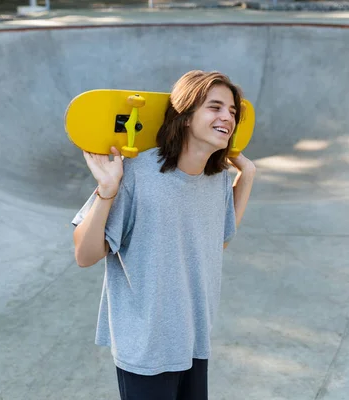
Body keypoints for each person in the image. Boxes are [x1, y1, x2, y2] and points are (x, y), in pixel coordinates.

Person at [71, 70, 255, 400]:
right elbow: (85, 255)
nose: (227, 117)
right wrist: (108, 190)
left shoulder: (216, 180)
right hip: (147, 348)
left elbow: (218, 241)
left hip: (194, 340)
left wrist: (248, 177)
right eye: (214, 107)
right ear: (185, 116)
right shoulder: (137, 174)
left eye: (232, 111)